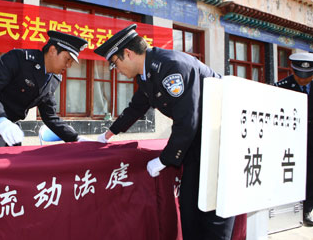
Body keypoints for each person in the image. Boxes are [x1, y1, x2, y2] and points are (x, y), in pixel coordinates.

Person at [93, 24, 235, 239]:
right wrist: (108, 134)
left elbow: (187, 121)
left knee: (213, 209)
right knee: (190, 205)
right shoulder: (147, 72)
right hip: (199, 139)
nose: (117, 70)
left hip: (220, 139)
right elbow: (136, 107)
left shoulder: (171, 67)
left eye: (115, 64)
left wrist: (165, 159)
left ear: (128, 54)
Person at [0, 30, 91, 148]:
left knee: (15, 165)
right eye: (67, 59)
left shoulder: (53, 79)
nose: (68, 65)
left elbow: (50, 116)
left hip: (10, 124)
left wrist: (75, 138)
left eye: (71, 63)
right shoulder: (18, 59)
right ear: (52, 51)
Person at [275, 52, 313, 226]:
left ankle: (307, 210)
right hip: (289, 141)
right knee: (289, 173)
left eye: (308, 76)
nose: (303, 81)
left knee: (310, 176)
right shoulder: (282, 87)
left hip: (311, 140)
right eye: (300, 76)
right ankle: (286, 212)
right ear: (293, 70)